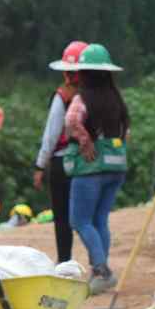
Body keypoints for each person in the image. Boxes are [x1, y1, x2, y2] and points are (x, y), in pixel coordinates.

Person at [64, 43, 129, 295]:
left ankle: (102, 271)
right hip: (115, 167)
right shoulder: (116, 98)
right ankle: (100, 272)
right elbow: (126, 131)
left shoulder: (83, 98)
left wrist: (85, 140)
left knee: (79, 220)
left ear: (85, 73)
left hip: (90, 167)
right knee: (100, 219)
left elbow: (71, 122)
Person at [33, 41, 88, 263]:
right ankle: (98, 261)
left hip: (61, 163)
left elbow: (51, 135)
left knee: (62, 217)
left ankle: (64, 261)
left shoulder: (62, 96)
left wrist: (39, 165)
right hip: (88, 161)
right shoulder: (94, 94)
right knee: (85, 217)